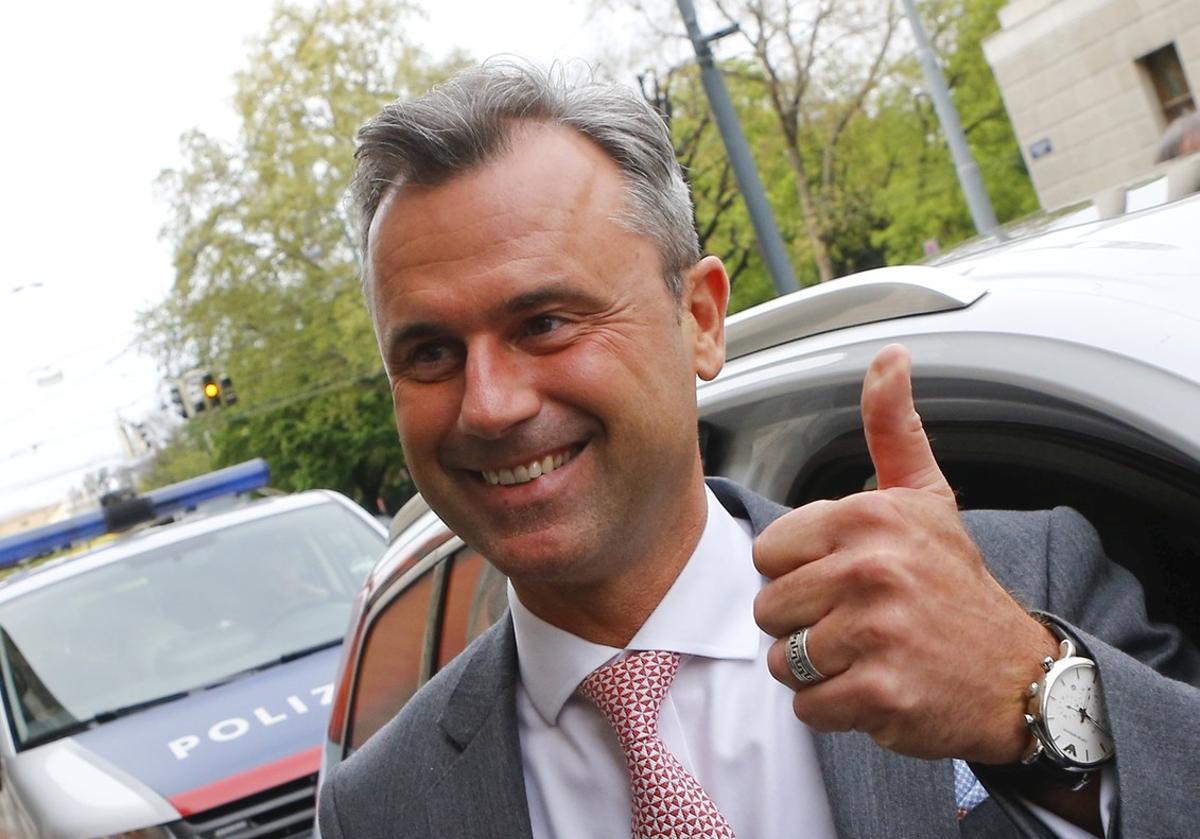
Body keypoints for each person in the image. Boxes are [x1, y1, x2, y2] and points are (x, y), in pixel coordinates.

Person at [319, 62, 1200, 838]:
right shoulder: (381, 809)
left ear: (699, 320)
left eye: (544, 322)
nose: (491, 405)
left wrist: (1030, 702)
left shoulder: (1020, 587)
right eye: (430, 353)